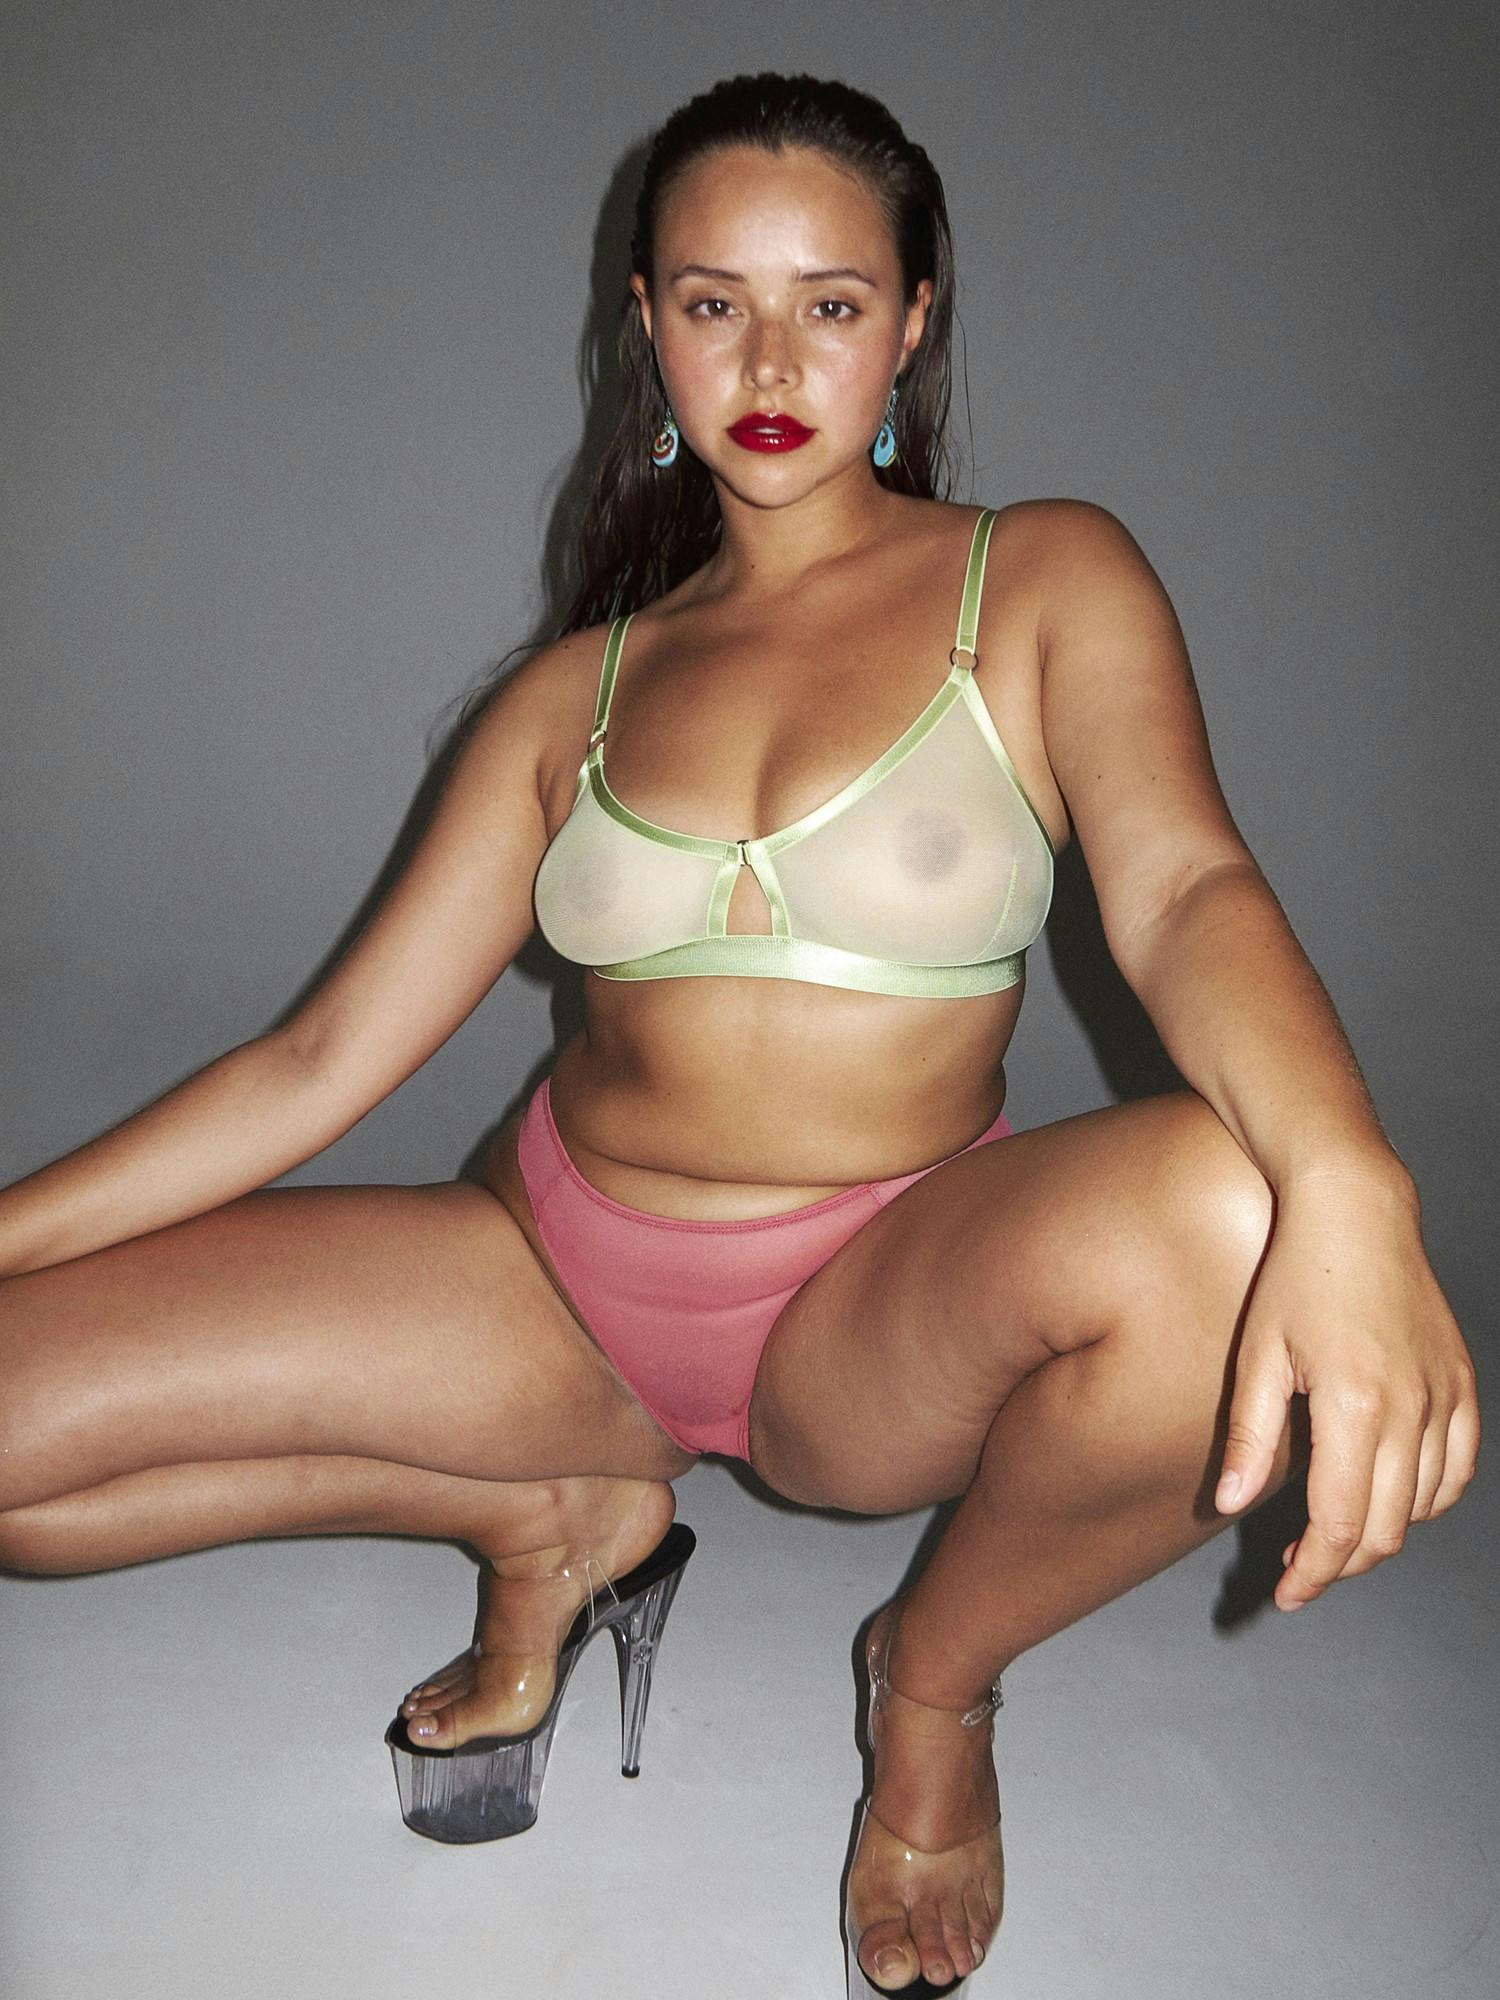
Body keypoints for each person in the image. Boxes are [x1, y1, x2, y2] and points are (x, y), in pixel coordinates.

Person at [0, 67, 1479, 1999]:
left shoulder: (1039, 580)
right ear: (649, 324)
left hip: (873, 1315)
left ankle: (932, 1686)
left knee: (1235, 1212)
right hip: (556, 1281)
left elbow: (1188, 891)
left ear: (914, 320)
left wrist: (1352, 1180)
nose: (771, 360)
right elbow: (313, 1063)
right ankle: (563, 1509)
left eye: (831, 303)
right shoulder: (569, 697)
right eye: (714, 302)